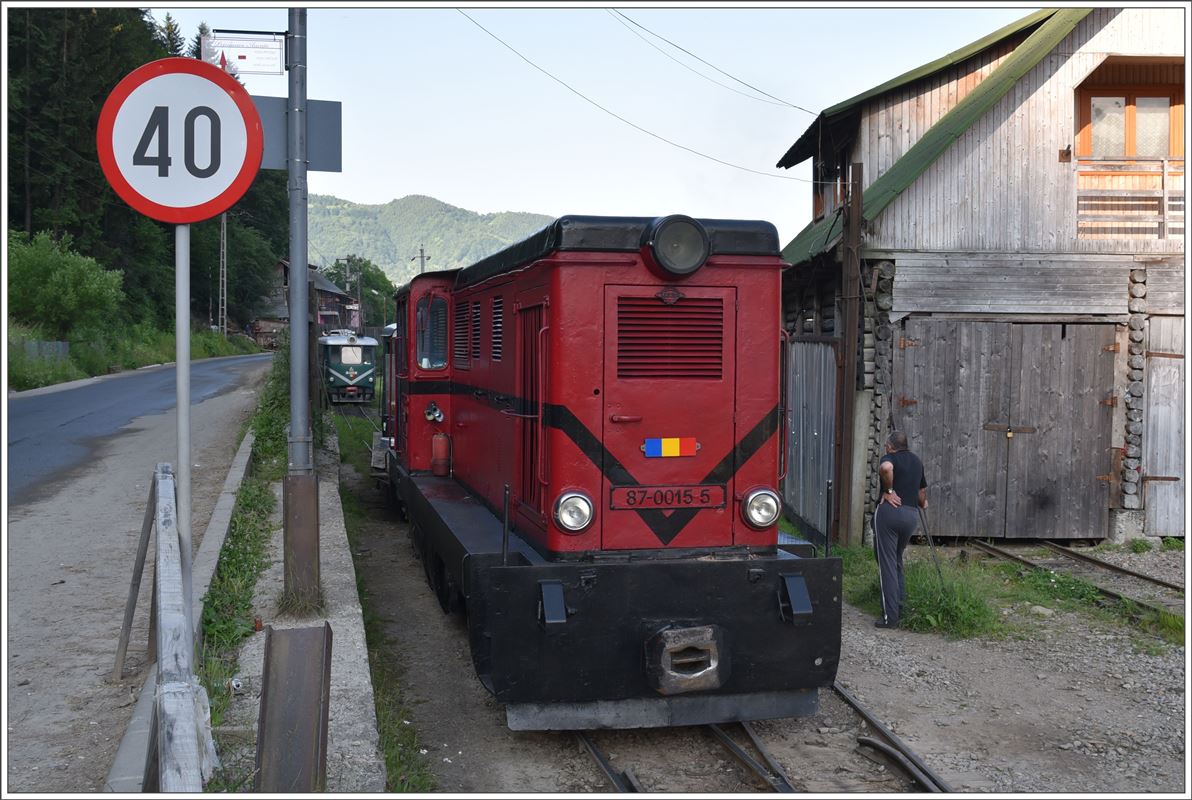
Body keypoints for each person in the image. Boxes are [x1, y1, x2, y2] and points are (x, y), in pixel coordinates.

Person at [872, 430, 928, 629]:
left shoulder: (890, 458)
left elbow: (886, 468)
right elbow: (922, 494)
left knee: (886, 563)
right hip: (911, 516)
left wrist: (888, 491)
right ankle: (900, 608)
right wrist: (923, 503)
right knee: (896, 560)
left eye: (886, 445)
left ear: (890, 446)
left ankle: (890, 617)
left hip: (890, 513)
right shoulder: (917, 462)